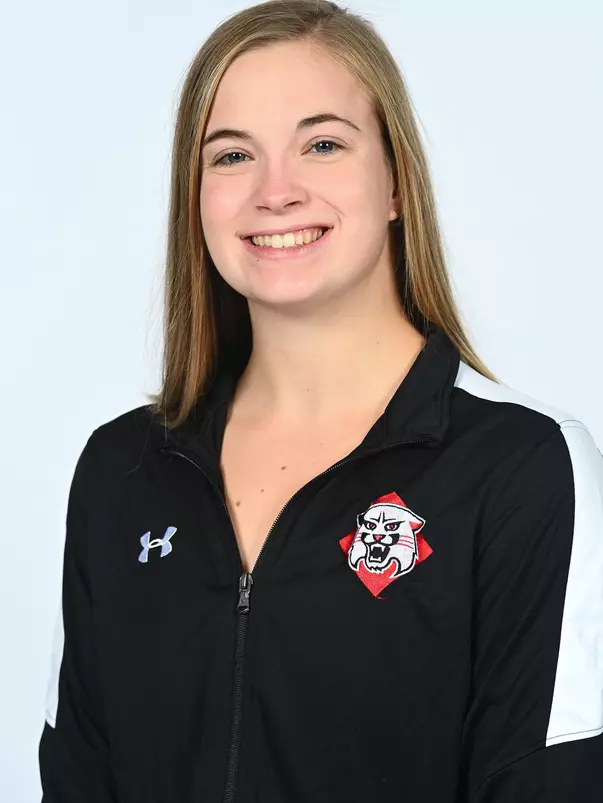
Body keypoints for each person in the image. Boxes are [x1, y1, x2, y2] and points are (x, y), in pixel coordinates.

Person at [38, 1, 603, 801]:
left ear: (395, 181)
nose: (275, 191)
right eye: (232, 155)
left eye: (323, 144)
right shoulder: (121, 471)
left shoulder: (522, 470)